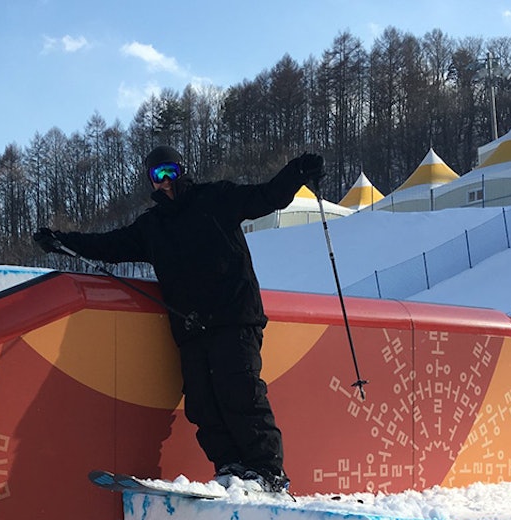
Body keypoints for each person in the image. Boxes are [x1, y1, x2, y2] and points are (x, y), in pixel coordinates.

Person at [34, 144, 323, 494]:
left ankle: (267, 471)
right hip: (190, 327)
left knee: (240, 393)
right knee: (202, 402)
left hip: (234, 318)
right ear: (151, 183)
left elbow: (266, 197)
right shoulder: (152, 227)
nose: (166, 180)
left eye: (171, 171)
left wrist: (297, 172)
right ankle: (230, 467)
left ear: (183, 169)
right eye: (158, 175)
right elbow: (108, 245)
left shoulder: (216, 198)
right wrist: (61, 241)